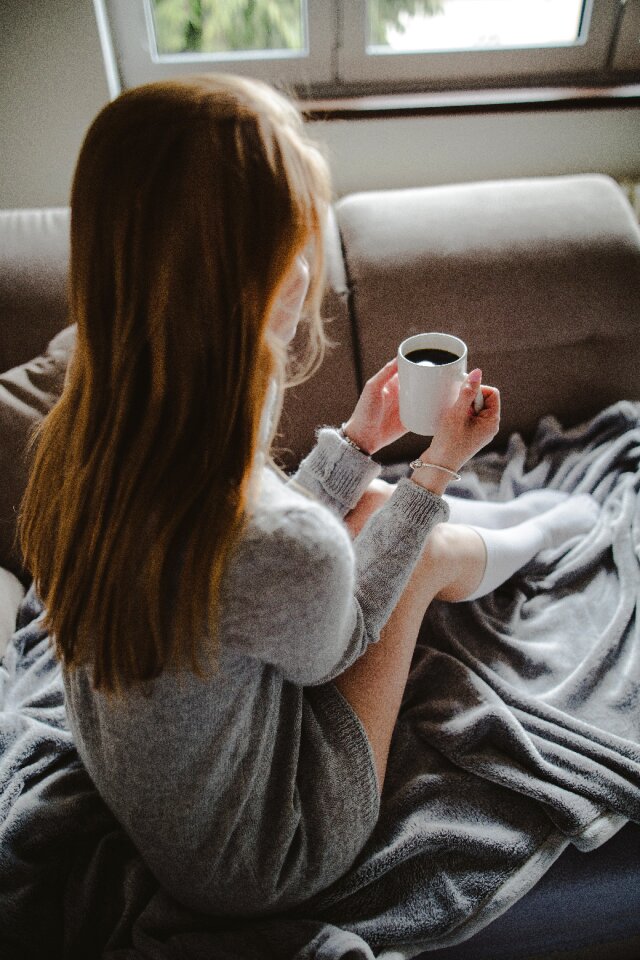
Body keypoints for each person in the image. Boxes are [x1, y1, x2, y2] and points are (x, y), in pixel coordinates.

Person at [17, 74, 598, 917]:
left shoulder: (82, 440)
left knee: (372, 511)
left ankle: (509, 522)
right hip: (267, 848)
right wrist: (433, 471)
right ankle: (544, 530)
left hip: (155, 785)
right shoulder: (272, 535)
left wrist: (360, 447)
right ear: (276, 286)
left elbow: (248, 570)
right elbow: (334, 638)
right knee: (418, 543)